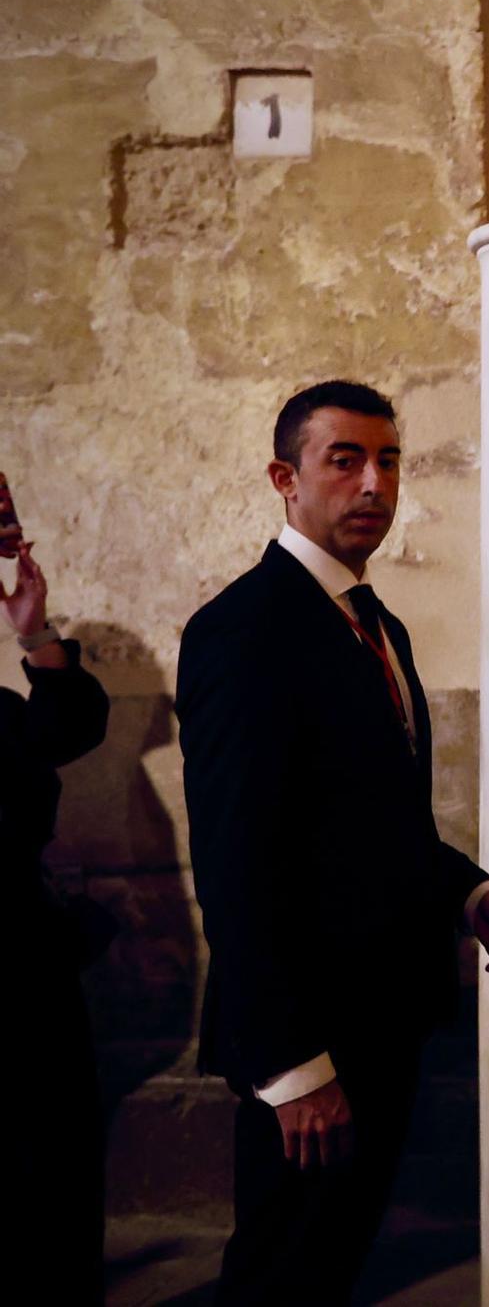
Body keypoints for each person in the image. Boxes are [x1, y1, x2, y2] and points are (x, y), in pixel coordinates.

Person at [176, 380, 489, 1304]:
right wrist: (292, 1068)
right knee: (280, 1274)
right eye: (344, 460)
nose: (373, 484)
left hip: (383, 1016)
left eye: (388, 461)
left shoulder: (378, 626)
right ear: (284, 479)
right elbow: (236, 863)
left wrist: (469, 890)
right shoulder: (244, 630)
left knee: (333, 1263)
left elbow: (372, 820)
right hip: (310, 1033)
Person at [4, 538, 112, 1303]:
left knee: (55, 1172)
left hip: (23, 965)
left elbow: (68, 728)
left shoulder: (0, 714)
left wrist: (35, 633)